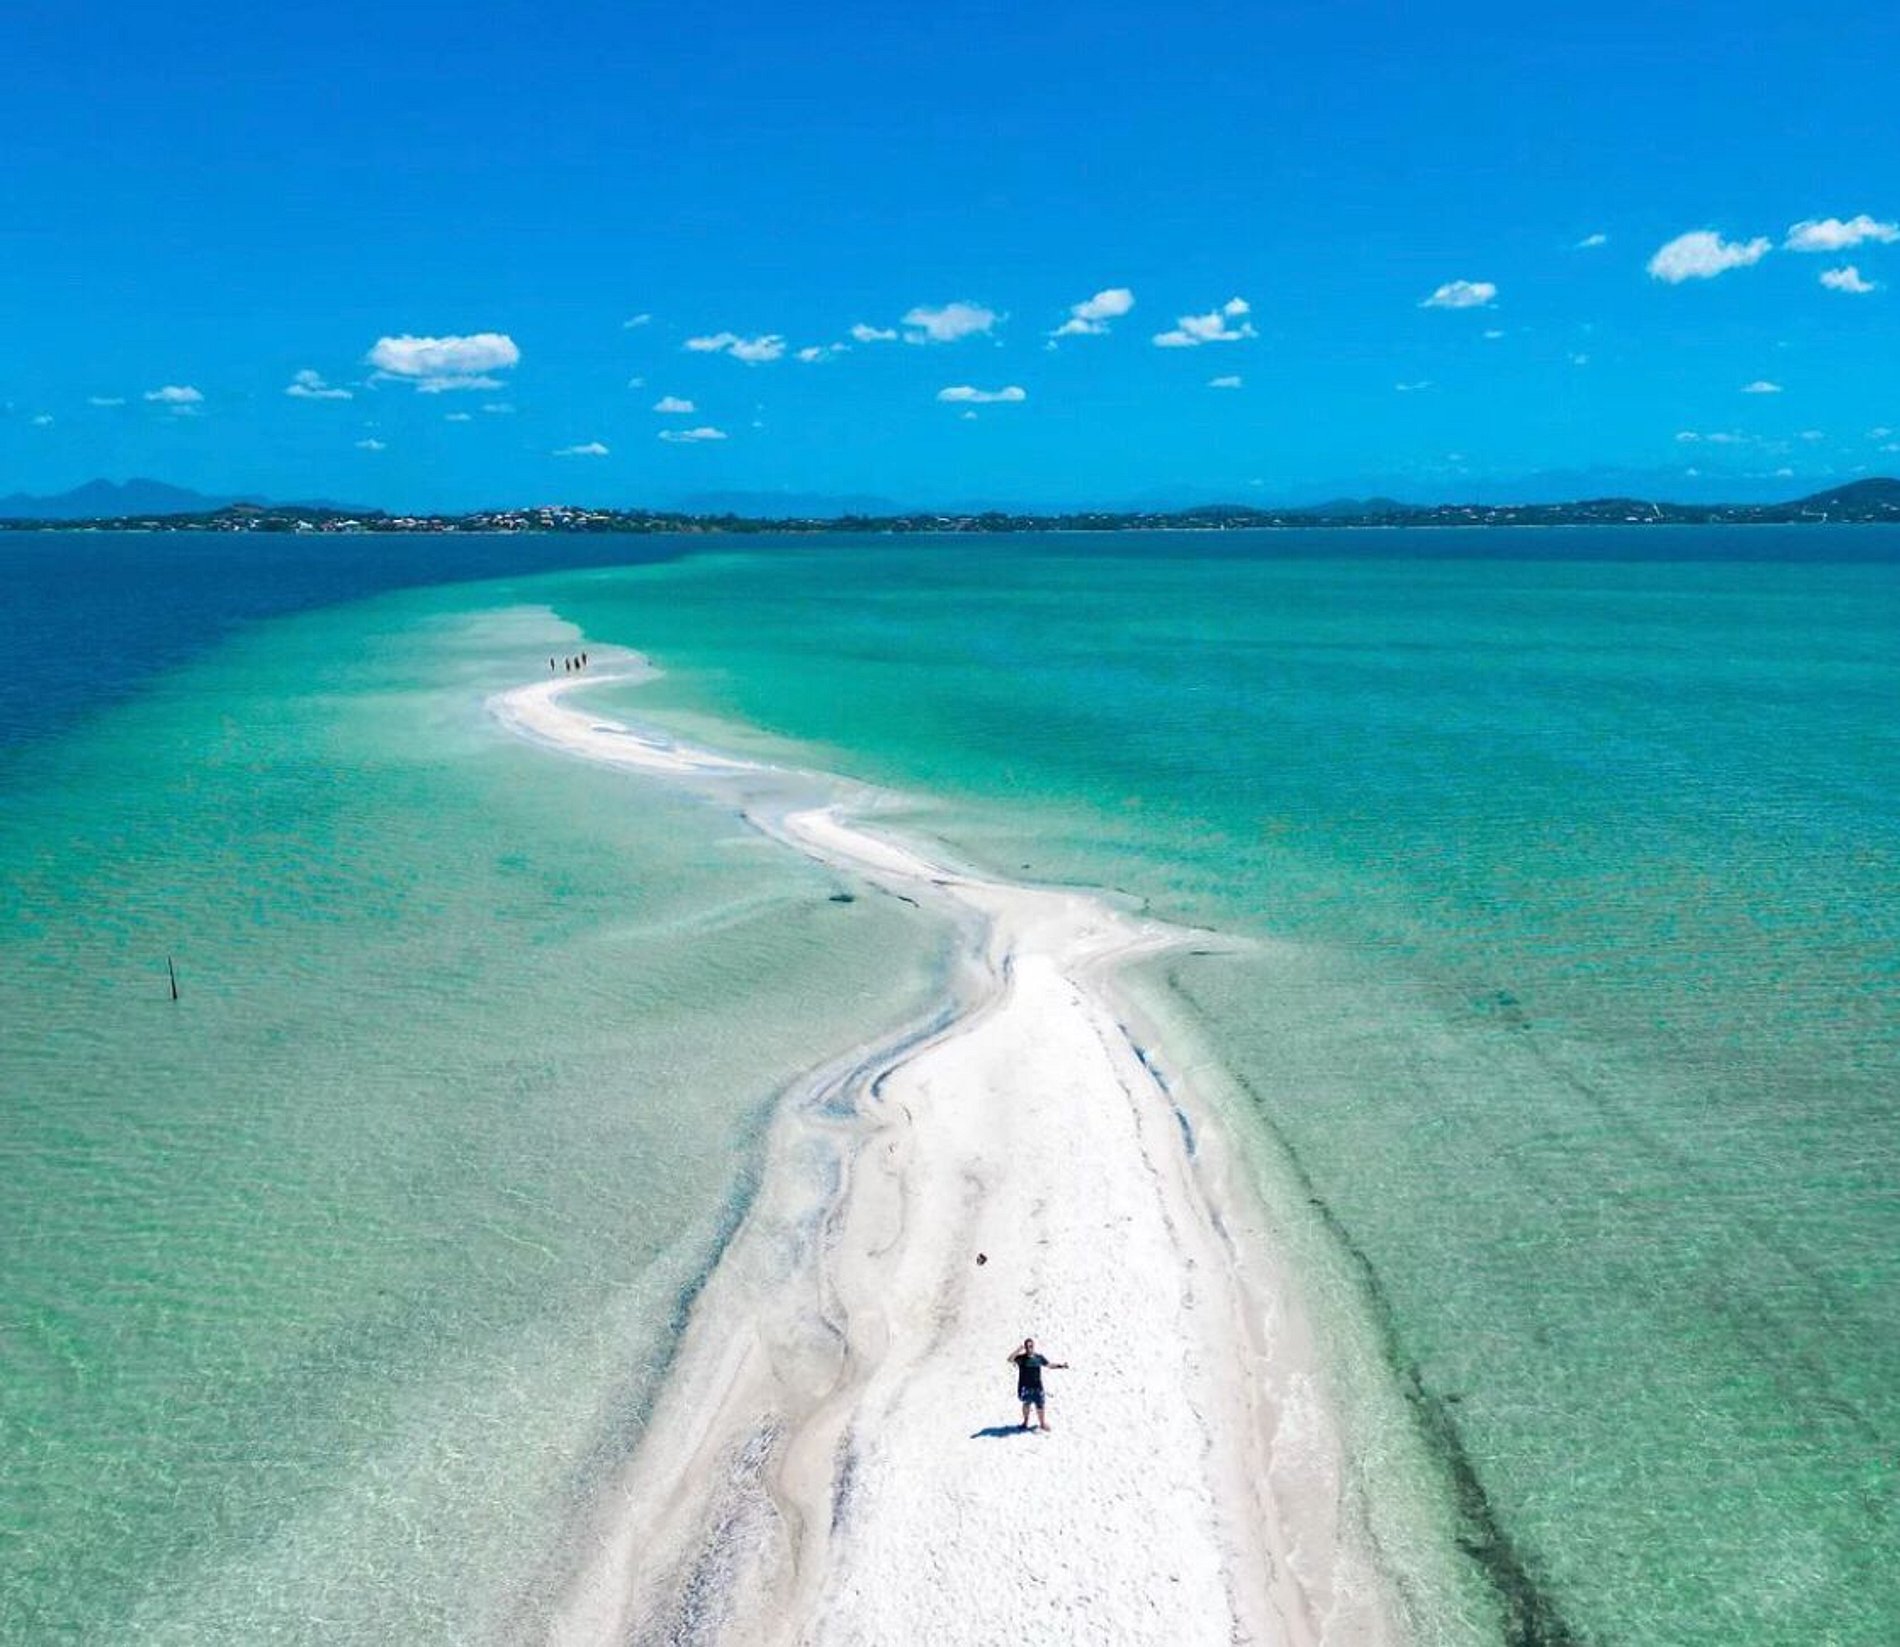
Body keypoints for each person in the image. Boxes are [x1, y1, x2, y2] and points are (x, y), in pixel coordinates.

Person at [1007, 1337, 1068, 1431]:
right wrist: (1018, 1350)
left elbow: (1049, 1365)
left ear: (1033, 1346)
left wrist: (1061, 1366)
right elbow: (1010, 1359)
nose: (1029, 1348)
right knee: (1026, 1404)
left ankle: (1042, 1423)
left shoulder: (1039, 1357)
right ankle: (1025, 1422)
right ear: (1025, 1348)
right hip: (1025, 1387)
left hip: (1037, 1386)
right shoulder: (1021, 1358)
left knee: (1040, 1405)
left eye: (1031, 1346)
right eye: (1027, 1347)